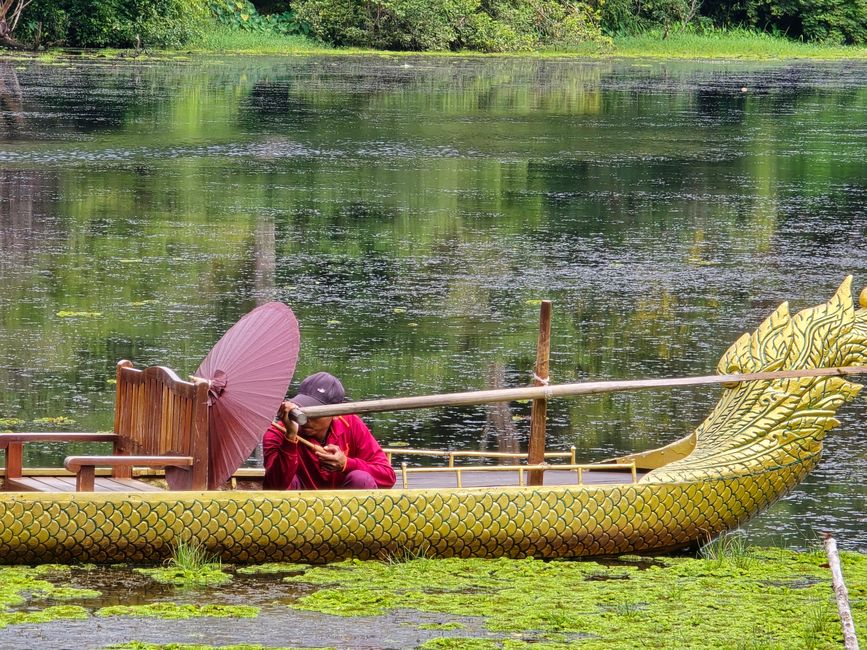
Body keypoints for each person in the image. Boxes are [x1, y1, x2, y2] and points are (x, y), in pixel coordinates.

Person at [262, 372, 396, 490]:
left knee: (360, 479)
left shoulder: (351, 423)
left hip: (347, 512)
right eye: (302, 410)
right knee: (291, 481)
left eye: (316, 413)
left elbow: (388, 476)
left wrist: (346, 464)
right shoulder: (277, 432)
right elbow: (274, 487)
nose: (306, 420)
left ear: (336, 413)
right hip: (298, 510)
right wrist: (290, 438)